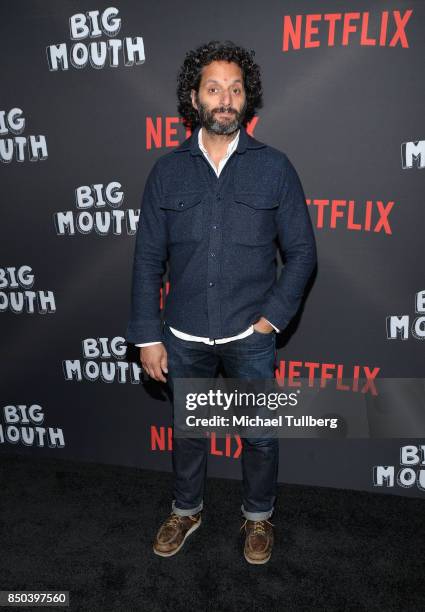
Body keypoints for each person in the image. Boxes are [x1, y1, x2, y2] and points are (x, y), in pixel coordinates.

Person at [126, 40, 317, 564]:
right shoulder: (166, 172)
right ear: (195, 98)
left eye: (235, 89)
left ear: (246, 100)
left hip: (248, 336)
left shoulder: (275, 167)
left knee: (259, 436)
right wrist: (147, 334)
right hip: (182, 335)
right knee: (188, 433)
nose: (225, 99)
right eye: (214, 89)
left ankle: (258, 519)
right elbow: (147, 260)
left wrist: (271, 320)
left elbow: (301, 254)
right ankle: (186, 510)